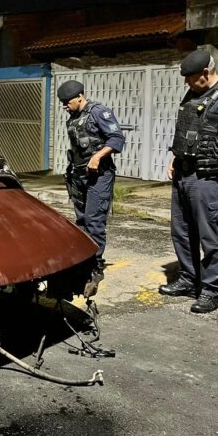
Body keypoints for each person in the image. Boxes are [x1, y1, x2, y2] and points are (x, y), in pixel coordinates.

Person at [159, 49, 218, 313]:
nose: (186, 83)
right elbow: (189, 130)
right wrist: (176, 160)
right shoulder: (194, 93)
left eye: (190, 77)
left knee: (210, 236)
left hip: (209, 178)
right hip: (184, 175)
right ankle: (189, 279)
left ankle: (211, 291)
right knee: (182, 232)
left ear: (205, 73)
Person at [57, 80, 125, 288]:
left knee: (95, 222)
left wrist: (98, 156)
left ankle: (95, 266)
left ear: (80, 96)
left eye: (67, 102)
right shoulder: (73, 117)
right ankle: (83, 261)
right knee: (82, 221)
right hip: (78, 176)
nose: (64, 106)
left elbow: (116, 138)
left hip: (99, 176)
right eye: (62, 103)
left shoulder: (99, 112)